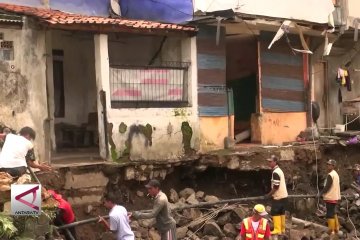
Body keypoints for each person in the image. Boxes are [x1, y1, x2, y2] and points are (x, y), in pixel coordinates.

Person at [265, 155, 288, 236]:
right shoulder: (279, 170)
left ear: (275, 162)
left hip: (278, 196)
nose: (269, 163)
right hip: (284, 196)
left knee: (275, 212)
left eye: (270, 162)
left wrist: (268, 195)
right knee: (282, 212)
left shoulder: (275, 172)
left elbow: (276, 186)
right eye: (268, 161)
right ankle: (282, 229)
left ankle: (277, 229)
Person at [319, 159, 341, 235]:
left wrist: (320, 194)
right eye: (327, 164)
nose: (328, 166)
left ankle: (331, 231)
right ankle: (337, 228)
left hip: (330, 197)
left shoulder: (330, 175)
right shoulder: (336, 174)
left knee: (329, 214)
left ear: (333, 166)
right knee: (333, 212)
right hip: (335, 196)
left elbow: (327, 186)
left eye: (329, 165)